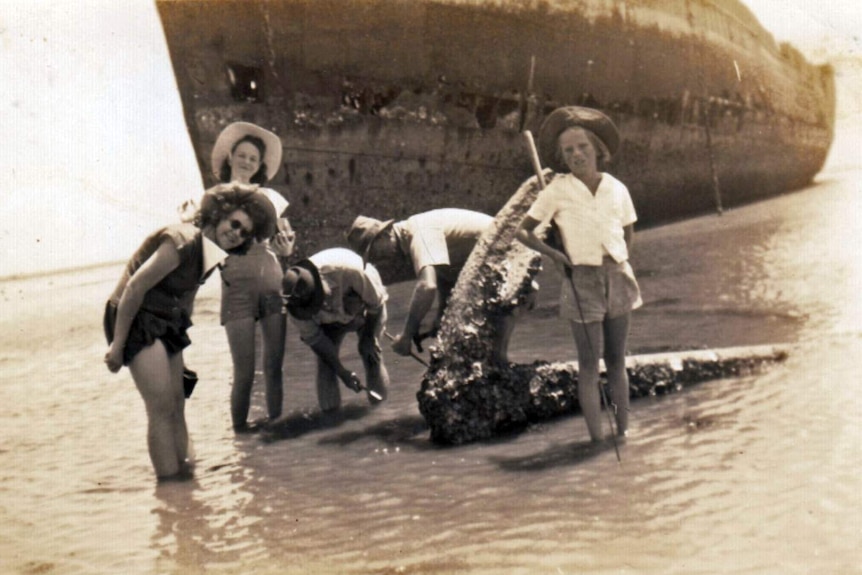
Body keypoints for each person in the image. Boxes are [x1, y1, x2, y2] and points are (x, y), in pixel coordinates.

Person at [104, 185, 278, 480]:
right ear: (219, 214)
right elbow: (135, 287)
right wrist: (118, 345)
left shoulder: (212, 255)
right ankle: (171, 486)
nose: (237, 233)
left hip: (166, 321)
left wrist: (178, 357)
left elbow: (184, 298)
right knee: (160, 406)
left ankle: (187, 485)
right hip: (132, 315)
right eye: (235, 223)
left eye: (245, 233)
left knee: (178, 401)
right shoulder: (182, 240)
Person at [516, 106, 642, 442]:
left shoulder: (616, 188)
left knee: (617, 360)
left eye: (582, 147)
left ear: (598, 149)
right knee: (589, 365)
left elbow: (627, 231)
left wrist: (619, 260)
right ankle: (596, 441)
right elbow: (523, 231)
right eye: (568, 150)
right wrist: (556, 255)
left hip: (617, 275)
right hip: (580, 279)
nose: (576, 155)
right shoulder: (556, 190)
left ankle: (624, 434)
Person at [209, 122, 296, 432]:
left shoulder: (270, 197)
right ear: (231, 156)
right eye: (242, 155)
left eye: (253, 159)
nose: (246, 162)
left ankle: (276, 434)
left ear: (259, 166)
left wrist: (286, 248)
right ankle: (241, 443)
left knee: (274, 366)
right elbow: (205, 249)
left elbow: (284, 239)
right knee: (243, 372)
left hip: (272, 280)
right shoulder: (214, 199)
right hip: (236, 290)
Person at [346, 208, 493, 357]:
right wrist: (441, 316)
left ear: (384, 234)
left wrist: (407, 335)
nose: (375, 260)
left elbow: (427, 286)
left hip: (504, 248)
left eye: (373, 252)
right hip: (492, 256)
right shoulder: (414, 233)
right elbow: (444, 276)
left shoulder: (419, 235)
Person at [282, 248, 389, 412]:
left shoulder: (353, 271)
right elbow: (316, 340)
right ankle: (331, 420)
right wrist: (342, 371)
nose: (315, 307)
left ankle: (381, 412)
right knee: (326, 364)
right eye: (310, 308)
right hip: (328, 323)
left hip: (365, 310)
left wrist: (368, 337)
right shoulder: (294, 307)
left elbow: (376, 305)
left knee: (370, 353)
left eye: (315, 303)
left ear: (320, 286)